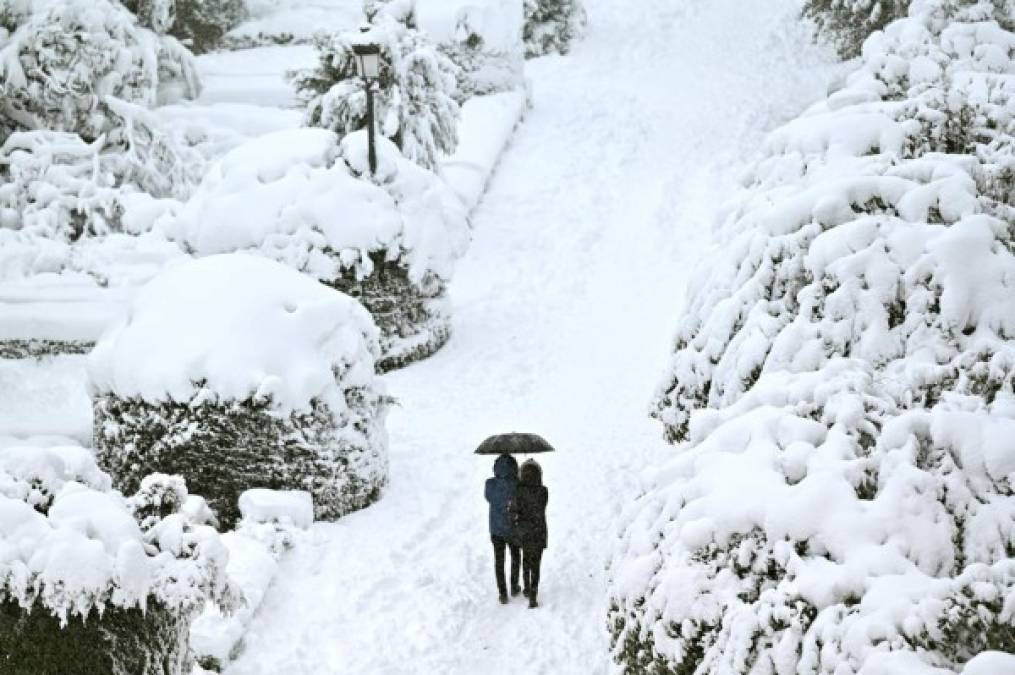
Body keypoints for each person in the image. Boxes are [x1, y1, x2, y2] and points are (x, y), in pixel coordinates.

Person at [511, 459, 548, 609]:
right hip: (539, 531)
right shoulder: (543, 491)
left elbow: (515, 510)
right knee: (536, 565)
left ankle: (526, 587)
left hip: (525, 532)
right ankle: (533, 594)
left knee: (526, 560)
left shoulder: (518, 491)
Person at [484, 453, 520, 604]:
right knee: (515, 557)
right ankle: (514, 585)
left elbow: (488, 498)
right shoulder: (517, 483)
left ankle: (503, 593)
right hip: (513, 527)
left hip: (496, 529)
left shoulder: (490, 484)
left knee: (499, 561)